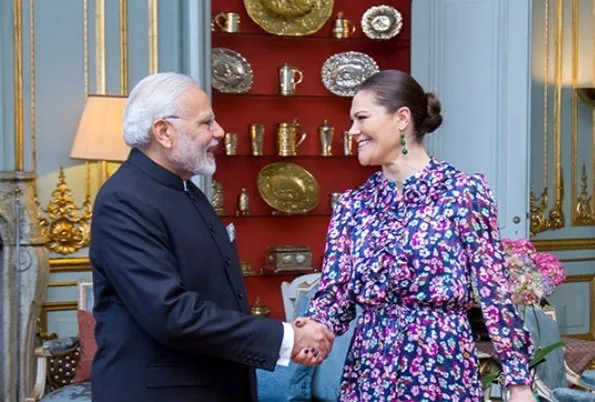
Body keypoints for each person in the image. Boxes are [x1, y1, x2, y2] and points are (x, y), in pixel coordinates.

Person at [89, 72, 333, 402]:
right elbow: (171, 313)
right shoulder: (125, 200)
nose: (218, 132)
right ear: (164, 132)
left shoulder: (186, 189)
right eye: (206, 123)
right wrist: (286, 338)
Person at [300, 70, 536, 401]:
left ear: (401, 118)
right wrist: (313, 327)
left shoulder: (463, 193)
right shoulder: (353, 205)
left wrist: (518, 382)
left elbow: (494, 294)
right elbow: (335, 293)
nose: (352, 131)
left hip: (441, 367)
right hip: (369, 371)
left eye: (361, 118)